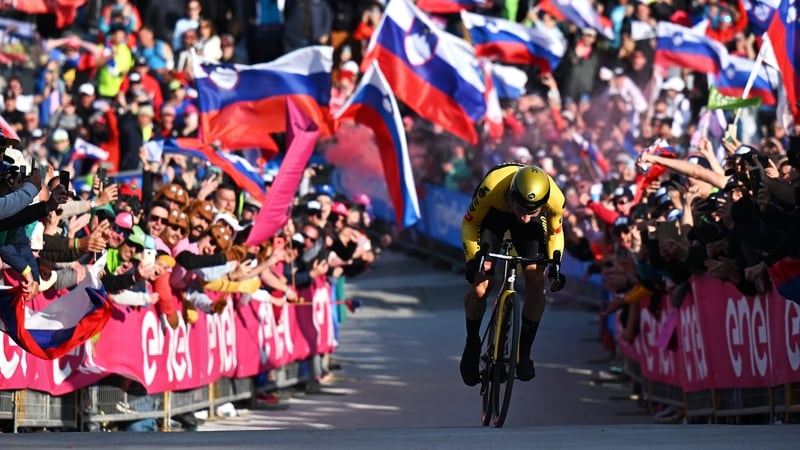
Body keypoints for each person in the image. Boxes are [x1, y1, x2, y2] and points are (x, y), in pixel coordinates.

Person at [459, 163, 566, 386]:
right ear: (512, 196)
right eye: (523, 210)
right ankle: (472, 342)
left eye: (533, 211)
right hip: (495, 216)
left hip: (530, 229)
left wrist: (556, 265)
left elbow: (556, 232)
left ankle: (523, 352)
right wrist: (472, 260)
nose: (525, 217)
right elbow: (469, 224)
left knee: (536, 279)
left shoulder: (554, 197)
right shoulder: (492, 187)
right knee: (481, 283)